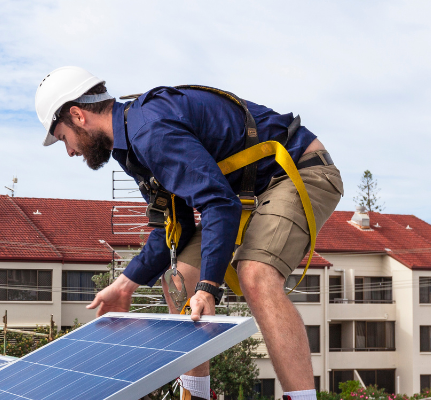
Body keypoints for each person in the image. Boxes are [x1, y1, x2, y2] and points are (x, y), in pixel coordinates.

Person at [35, 66, 343, 400]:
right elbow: (174, 229)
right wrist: (127, 284)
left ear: (78, 115)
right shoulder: (132, 145)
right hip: (242, 194)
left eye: (64, 138)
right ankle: (196, 396)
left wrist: (209, 287)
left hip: (297, 170)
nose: (69, 151)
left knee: (255, 274)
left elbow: (218, 205)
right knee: (179, 279)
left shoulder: (150, 130)